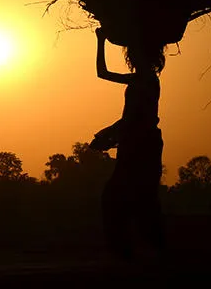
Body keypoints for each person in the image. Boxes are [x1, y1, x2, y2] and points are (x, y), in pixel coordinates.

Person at [90, 27, 165, 259]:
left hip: (141, 145)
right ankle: (140, 249)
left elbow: (135, 118)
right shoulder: (139, 79)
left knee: (127, 197)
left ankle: (135, 250)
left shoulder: (148, 81)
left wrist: (108, 135)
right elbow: (102, 73)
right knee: (134, 197)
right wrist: (100, 41)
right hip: (135, 143)